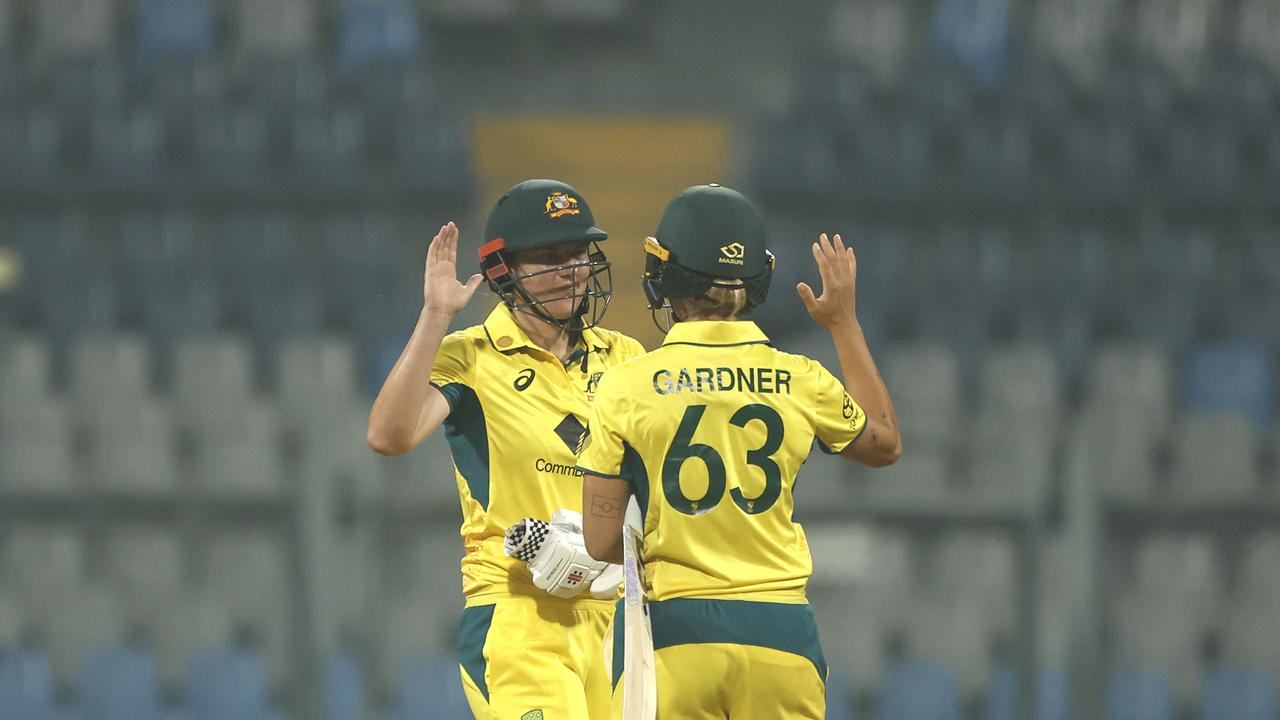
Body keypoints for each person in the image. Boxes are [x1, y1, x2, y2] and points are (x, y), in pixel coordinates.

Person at [576, 183, 902, 719]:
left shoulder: (625, 386)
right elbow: (885, 442)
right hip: (782, 636)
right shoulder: (801, 378)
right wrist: (843, 323)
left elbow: (600, 540)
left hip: (677, 636)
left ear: (669, 279)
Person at [367, 179, 647, 719]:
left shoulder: (625, 356)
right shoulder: (472, 357)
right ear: (504, 271)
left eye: (579, 253)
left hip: (616, 621)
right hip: (519, 617)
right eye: (550, 257)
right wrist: (435, 315)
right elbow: (389, 435)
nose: (573, 269)